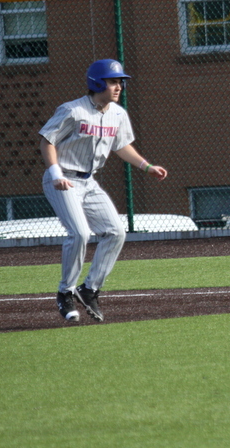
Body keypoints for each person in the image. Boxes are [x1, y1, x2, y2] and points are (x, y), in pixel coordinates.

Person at [40, 59, 168, 322]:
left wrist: (147, 167)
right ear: (97, 83)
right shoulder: (72, 110)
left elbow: (121, 146)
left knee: (116, 232)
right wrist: (55, 174)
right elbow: (47, 141)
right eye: (113, 81)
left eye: (120, 81)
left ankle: (89, 289)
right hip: (62, 178)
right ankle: (65, 292)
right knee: (80, 234)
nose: (119, 86)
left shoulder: (117, 114)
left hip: (89, 182)